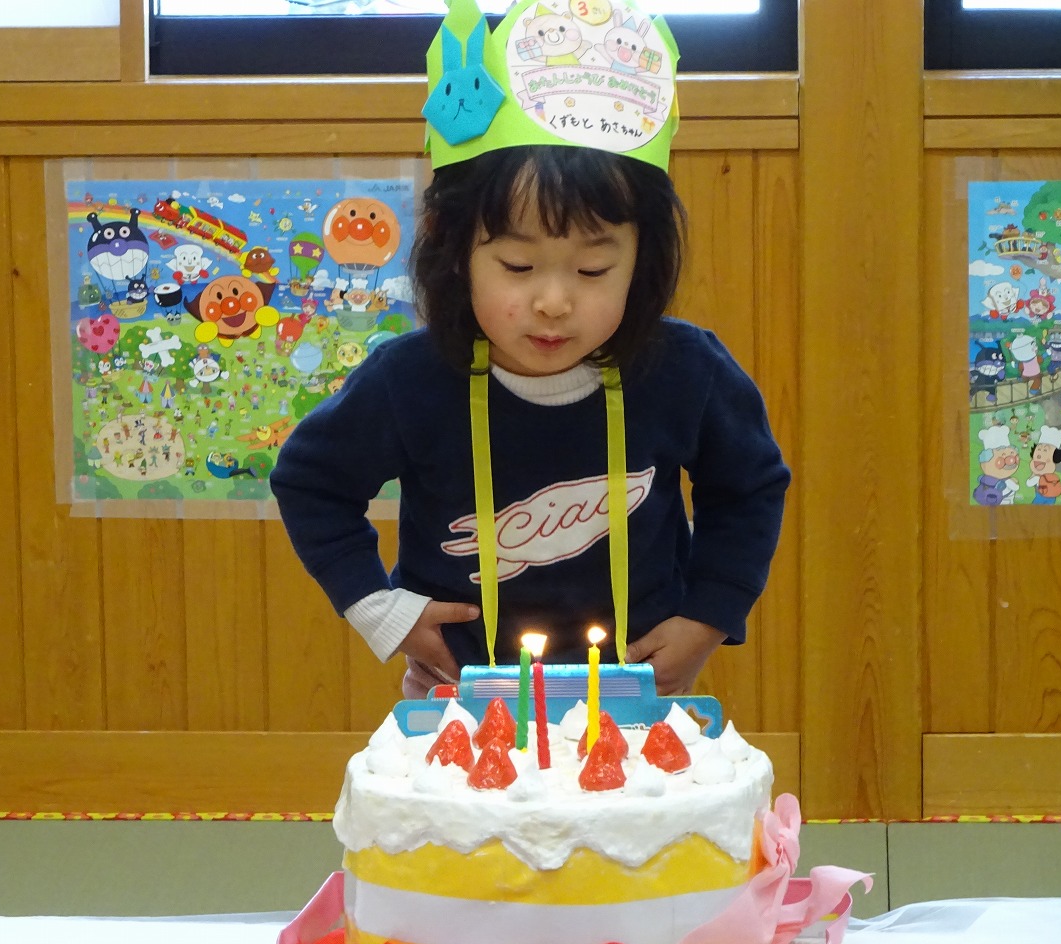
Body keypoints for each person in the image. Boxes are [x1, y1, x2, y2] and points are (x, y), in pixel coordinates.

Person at [269, 0, 790, 701]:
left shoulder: (686, 372)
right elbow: (311, 482)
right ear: (456, 252)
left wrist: (708, 616)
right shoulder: (410, 381)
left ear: (642, 261)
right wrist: (380, 610)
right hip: (457, 704)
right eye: (518, 266)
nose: (553, 301)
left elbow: (749, 488)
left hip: (636, 699)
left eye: (593, 270)